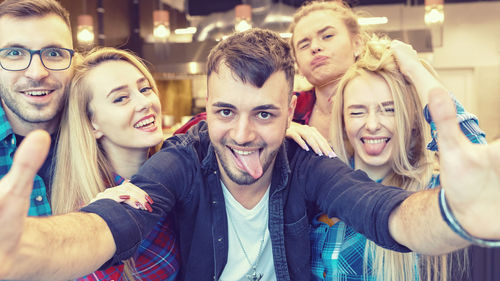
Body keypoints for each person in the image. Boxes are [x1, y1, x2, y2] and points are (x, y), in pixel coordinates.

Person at [1, 28, 500, 281]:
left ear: (292, 112)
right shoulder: (182, 158)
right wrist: (30, 250)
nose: (242, 134)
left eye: (264, 114)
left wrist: (453, 214)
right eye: (224, 112)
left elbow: (379, 210)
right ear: (205, 109)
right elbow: (113, 222)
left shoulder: (305, 160)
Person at [310, 36, 465, 281]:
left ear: (412, 119)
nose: (372, 125)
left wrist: (415, 69)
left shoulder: (429, 190)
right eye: (357, 112)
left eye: (389, 110)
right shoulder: (318, 178)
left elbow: (479, 177)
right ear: (342, 120)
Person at [287, 0, 485, 154]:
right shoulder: (286, 110)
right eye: (304, 44)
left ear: (357, 44)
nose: (315, 47)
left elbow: (471, 151)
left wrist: (415, 70)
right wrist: (281, 131)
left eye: (327, 36)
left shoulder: (396, 99)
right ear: (296, 61)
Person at [50, 47, 179, 280]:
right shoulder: (87, 213)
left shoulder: (176, 176)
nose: (144, 103)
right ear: (92, 125)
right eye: (120, 98)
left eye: (145, 89)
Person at [0, 0, 74, 216]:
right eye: (14, 53)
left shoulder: (103, 136)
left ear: (73, 61)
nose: (37, 73)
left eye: (53, 53)